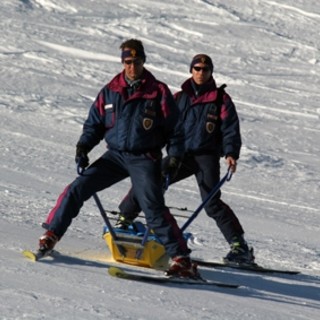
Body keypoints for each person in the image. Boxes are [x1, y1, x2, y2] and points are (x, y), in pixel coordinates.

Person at [38, 39, 199, 278]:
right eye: (128, 62)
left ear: (144, 60)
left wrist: (174, 157)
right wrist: (83, 146)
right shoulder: (111, 90)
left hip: (145, 157)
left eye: (136, 61)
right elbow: (94, 124)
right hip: (115, 156)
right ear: (122, 62)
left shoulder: (158, 92)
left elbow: (175, 130)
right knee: (77, 188)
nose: (132, 66)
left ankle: (181, 259)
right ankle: (51, 234)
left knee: (152, 206)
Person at [116, 54, 255, 264]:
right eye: (197, 68)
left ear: (211, 72)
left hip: (206, 156)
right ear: (191, 70)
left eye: (205, 69)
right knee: (151, 179)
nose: (201, 73)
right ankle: (125, 219)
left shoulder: (220, 99)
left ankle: (239, 246)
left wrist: (231, 154)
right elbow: (163, 125)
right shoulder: (179, 98)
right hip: (179, 155)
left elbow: (230, 130)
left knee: (211, 202)